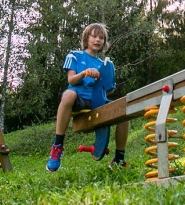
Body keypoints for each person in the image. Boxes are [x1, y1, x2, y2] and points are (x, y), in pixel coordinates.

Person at [46, 23, 130, 172]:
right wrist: (85, 73)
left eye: (101, 38)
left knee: (124, 108)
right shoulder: (74, 55)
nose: (98, 40)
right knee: (68, 94)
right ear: (86, 38)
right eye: (94, 36)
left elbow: (108, 91)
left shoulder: (103, 64)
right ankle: (57, 147)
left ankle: (119, 157)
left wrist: (105, 82)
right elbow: (71, 80)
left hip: (96, 101)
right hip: (78, 99)